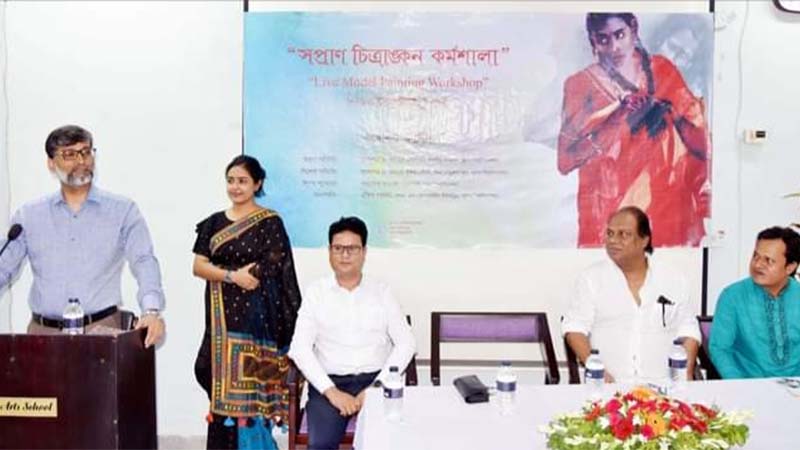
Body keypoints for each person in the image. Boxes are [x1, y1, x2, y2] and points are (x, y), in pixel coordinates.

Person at [0, 125, 165, 345]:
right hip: (43, 335)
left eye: (86, 152)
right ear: (51, 163)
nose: (81, 161)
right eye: (69, 154)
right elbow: (4, 267)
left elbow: (144, 261)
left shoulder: (122, 210)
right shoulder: (29, 215)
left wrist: (151, 311)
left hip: (103, 331)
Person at [557, 13, 710, 248]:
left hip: (664, 207)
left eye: (620, 35)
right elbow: (565, 161)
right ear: (592, 41)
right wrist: (616, 118)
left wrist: (672, 111)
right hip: (608, 210)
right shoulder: (580, 85)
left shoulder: (661, 70)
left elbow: (700, 142)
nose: (614, 47)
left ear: (634, 29)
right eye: (603, 39)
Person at [192, 155, 302, 450]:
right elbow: (198, 266)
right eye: (231, 180)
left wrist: (246, 276)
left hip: (257, 323)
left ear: (257, 183)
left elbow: (273, 264)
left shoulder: (269, 223)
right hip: (220, 324)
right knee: (208, 373)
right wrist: (232, 276)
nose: (235, 187)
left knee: (252, 395)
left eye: (242, 181)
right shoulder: (214, 223)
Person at [288, 216, 416, 450]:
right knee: (320, 444)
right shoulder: (316, 293)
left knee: (388, 441)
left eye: (352, 249)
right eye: (338, 248)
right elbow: (299, 348)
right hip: (330, 382)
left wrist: (376, 388)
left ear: (364, 252)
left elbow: (407, 343)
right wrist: (332, 392)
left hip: (376, 380)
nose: (344, 255)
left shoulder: (382, 292)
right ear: (329, 251)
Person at [562, 206, 700, 382]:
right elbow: (574, 328)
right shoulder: (591, 279)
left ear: (644, 240)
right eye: (610, 233)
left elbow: (689, 330)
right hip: (610, 387)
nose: (613, 240)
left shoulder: (673, 279)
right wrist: (597, 371)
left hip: (663, 387)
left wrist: (684, 375)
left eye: (624, 234)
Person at [710, 226, 800, 378]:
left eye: (769, 260)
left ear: (790, 267)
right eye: (756, 256)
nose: (758, 265)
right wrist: (739, 385)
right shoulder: (732, 296)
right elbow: (720, 349)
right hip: (747, 384)